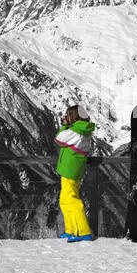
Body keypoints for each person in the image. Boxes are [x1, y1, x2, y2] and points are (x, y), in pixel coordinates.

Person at [54, 104, 95, 242]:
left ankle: (82, 232)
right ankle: (71, 229)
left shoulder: (76, 131)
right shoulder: (82, 130)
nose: (66, 117)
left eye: (68, 114)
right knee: (65, 200)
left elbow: (59, 139)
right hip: (73, 169)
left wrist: (64, 125)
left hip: (70, 170)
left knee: (71, 200)